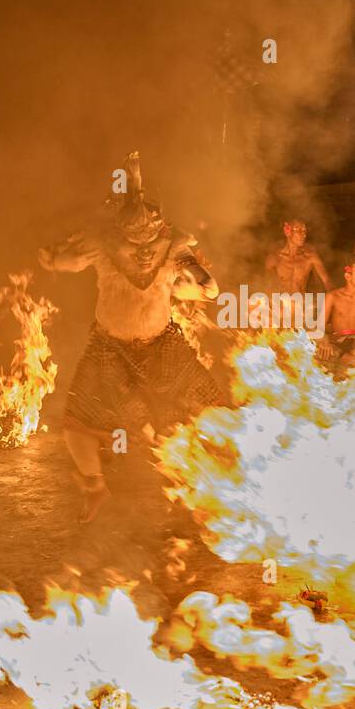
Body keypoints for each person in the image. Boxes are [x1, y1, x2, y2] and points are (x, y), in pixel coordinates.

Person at [38, 152, 223, 521]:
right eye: (134, 244)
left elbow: (210, 289)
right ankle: (94, 487)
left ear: (160, 231)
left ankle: (223, 478)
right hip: (108, 347)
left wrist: (196, 284)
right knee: (78, 423)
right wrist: (52, 259)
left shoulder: (174, 247)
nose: (142, 254)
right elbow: (69, 262)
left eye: (149, 245)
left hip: (162, 345)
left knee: (209, 407)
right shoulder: (101, 245)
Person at [265, 219, 329, 293]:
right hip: (281, 302)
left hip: (301, 302)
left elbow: (327, 281)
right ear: (287, 232)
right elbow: (267, 286)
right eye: (299, 231)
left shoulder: (310, 257)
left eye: (304, 231)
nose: (304, 235)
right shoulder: (274, 258)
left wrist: (334, 299)